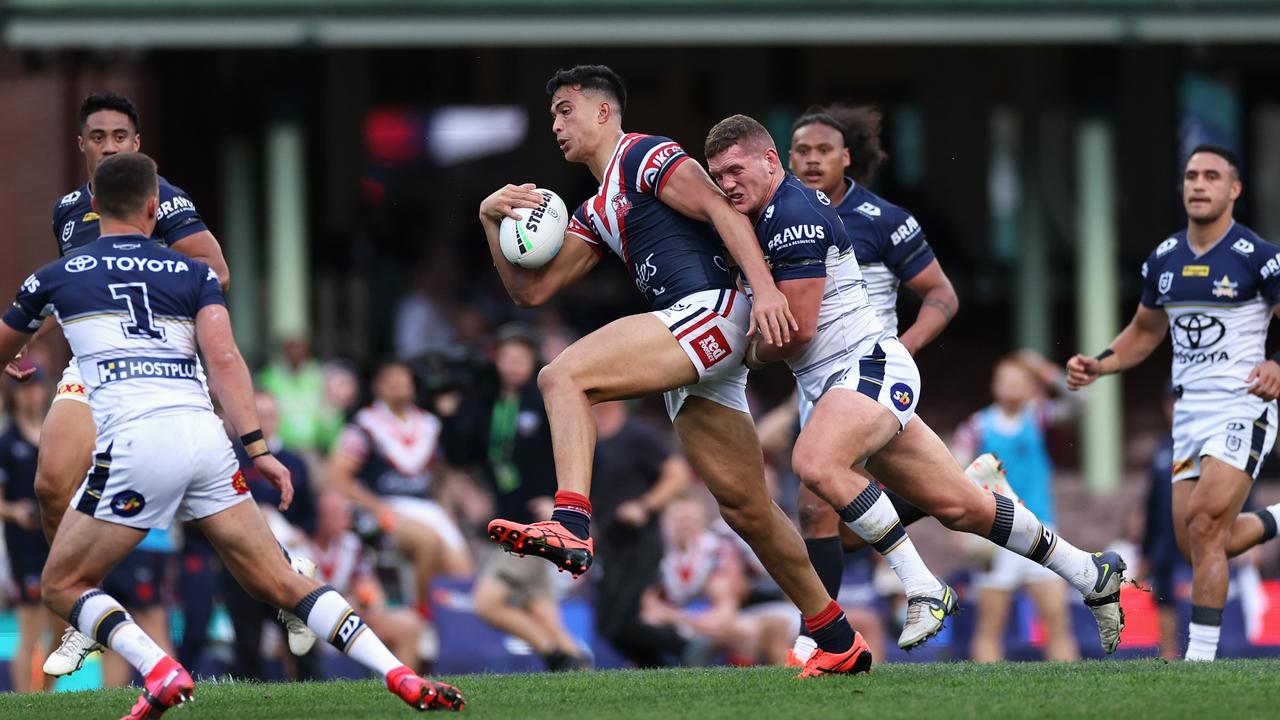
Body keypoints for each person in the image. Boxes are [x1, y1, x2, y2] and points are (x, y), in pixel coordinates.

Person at [0, 153, 462, 715]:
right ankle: (400, 675)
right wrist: (259, 449)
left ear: (93, 209)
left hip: (138, 446)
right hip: (207, 442)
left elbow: (7, 349)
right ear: (154, 206)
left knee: (62, 584)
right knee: (280, 581)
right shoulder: (194, 274)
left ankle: (160, 670)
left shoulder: (55, 276)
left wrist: (20, 352)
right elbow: (225, 360)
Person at [480, 64, 871, 677]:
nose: (555, 123)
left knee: (561, 376)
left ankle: (572, 524)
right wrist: (489, 220)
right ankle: (838, 637)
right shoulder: (596, 206)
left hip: (710, 314)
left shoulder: (646, 155)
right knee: (746, 509)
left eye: (564, 109)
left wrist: (765, 290)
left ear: (604, 111)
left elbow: (724, 210)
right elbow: (532, 294)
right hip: (695, 343)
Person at [702, 113, 1127, 657]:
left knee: (814, 466)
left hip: (867, 365)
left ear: (768, 161)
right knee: (961, 508)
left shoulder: (795, 213)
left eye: (735, 169)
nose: (727, 183)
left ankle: (919, 588)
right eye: (718, 175)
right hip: (835, 379)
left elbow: (798, 331)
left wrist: (741, 350)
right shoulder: (763, 215)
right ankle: (1091, 573)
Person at [0, 92, 316, 678]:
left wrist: (146, 274)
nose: (110, 145)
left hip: (158, 362)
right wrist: (21, 342)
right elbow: (65, 292)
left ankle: (290, 578)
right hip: (93, 367)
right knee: (49, 483)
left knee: (212, 517)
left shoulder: (162, 200)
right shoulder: (69, 209)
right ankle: (82, 614)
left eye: (121, 136)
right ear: (82, 145)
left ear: (137, 144)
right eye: (99, 136)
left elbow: (215, 270)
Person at [785, 105, 1012, 660]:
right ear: (787, 159)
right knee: (835, 526)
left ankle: (816, 640)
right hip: (815, 378)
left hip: (872, 379)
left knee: (816, 505)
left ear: (847, 158)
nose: (811, 160)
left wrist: (901, 346)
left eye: (823, 151)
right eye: (802, 151)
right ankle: (942, 494)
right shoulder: (778, 216)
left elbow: (942, 295)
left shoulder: (883, 219)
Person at [1066, 144, 1280, 662]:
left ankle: (1199, 660)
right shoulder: (1164, 258)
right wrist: (1101, 363)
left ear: (1234, 190)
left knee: (1206, 524)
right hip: (1188, 415)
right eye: (1190, 176)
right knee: (1199, 542)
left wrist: (1277, 364)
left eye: (1211, 176)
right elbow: (1144, 331)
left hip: (1241, 406)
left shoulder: (1259, 257)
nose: (1198, 184)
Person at [439, 323, 587, 671]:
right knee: (538, 603)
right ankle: (576, 664)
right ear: (497, 360)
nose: (513, 365)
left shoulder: (545, 400)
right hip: (506, 515)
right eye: (507, 357)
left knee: (486, 602)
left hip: (538, 520)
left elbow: (571, 448)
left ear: (533, 359)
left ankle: (556, 655)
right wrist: (448, 414)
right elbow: (462, 455)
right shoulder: (488, 402)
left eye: (520, 357)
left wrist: (559, 498)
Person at [953, 351, 1083, 662]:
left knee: (1057, 621)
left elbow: (1082, 403)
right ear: (994, 385)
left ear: (1029, 386)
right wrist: (960, 529)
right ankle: (986, 702)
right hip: (996, 532)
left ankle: (1074, 696)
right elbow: (953, 474)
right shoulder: (976, 427)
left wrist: (1046, 370)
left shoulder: (1038, 416)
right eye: (1004, 380)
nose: (1011, 387)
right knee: (989, 626)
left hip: (1040, 528)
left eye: (1018, 381)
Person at [326, 360, 473, 621]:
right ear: (377, 387)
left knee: (460, 563)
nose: (399, 387)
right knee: (427, 541)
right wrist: (377, 507)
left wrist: (447, 507)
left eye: (404, 381)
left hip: (426, 507)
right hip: (381, 508)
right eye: (391, 381)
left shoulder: (429, 425)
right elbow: (337, 476)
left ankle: (455, 624)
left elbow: (443, 476)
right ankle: (421, 613)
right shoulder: (364, 425)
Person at [590, 400, 693, 667]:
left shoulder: (637, 434)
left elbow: (678, 474)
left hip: (639, 541)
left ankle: (684, 644)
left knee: (619, 622)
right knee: (607, 625)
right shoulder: (591, 437)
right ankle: (658, 667)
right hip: (609, 543)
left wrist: (644, 505)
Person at [0, 368, 59, 693]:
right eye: (23, 389)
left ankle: (44, 697)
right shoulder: (7, 442)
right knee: (31, 630)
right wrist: (14, 512)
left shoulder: (56, 436)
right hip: (24, 546)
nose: (31, 395)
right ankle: (26, 701)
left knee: (63, 629)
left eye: (35, 387)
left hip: (56, 542)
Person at [1142, 384, 1187, 661]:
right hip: (1163, 540)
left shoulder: (1209, 445)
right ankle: (1169, 652)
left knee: (1194, 592)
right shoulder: (1161, 449)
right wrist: (1146, 550)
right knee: (1164, 597)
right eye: (1172, 404)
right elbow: (1152, 503)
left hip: (1197, 534)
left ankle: (1202, 650)